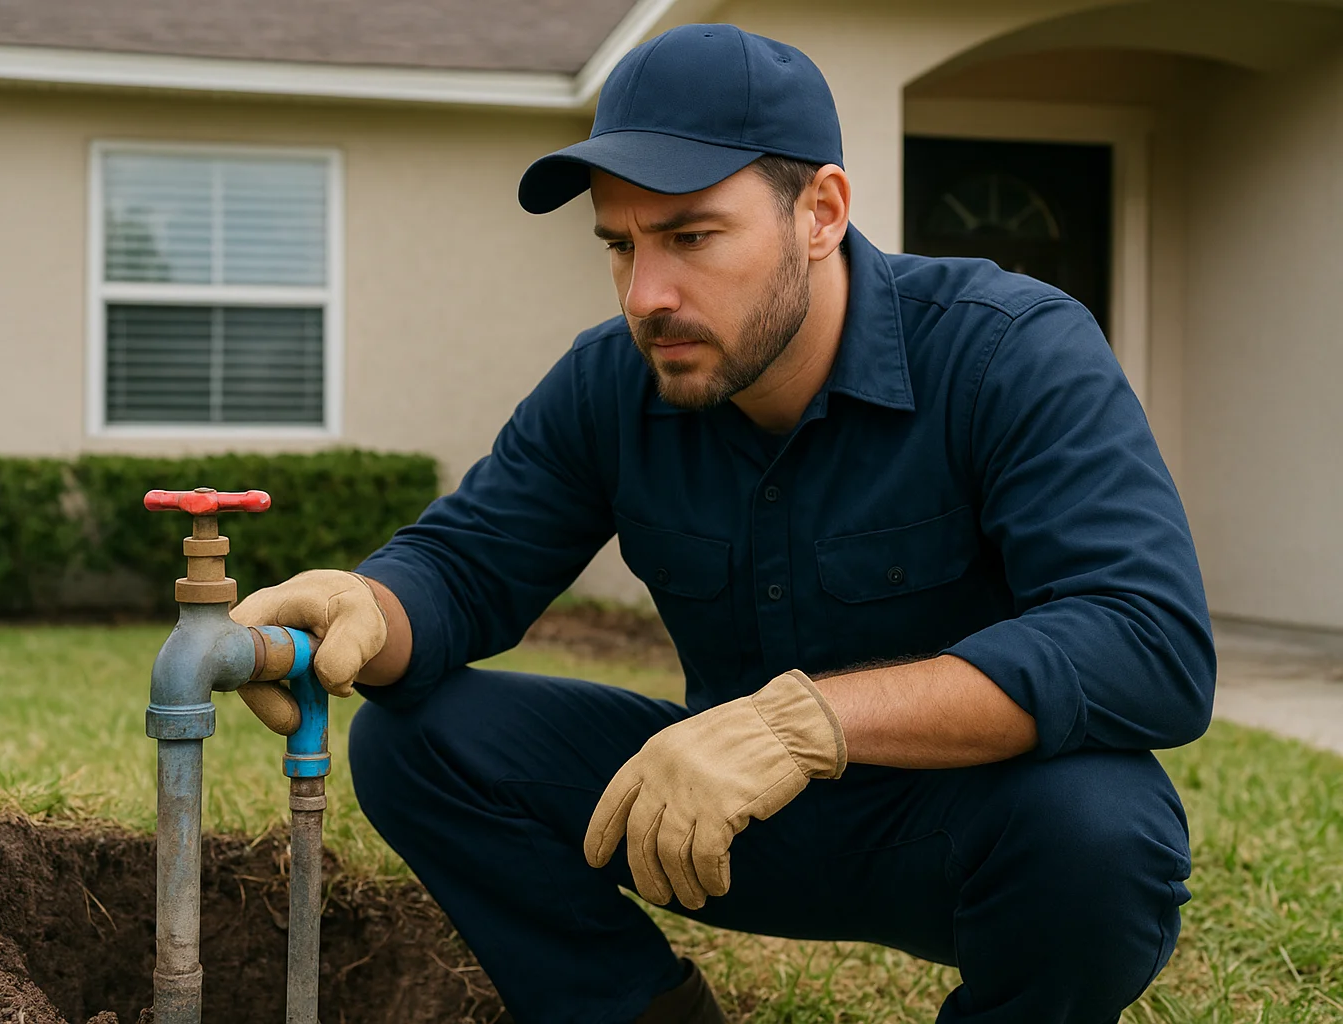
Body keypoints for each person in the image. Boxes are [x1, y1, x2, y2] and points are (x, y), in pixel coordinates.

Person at [230, 23, 1216, 1024]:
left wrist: (805, 724)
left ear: (821, 211)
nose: (646, 295)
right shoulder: (610, 382)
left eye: (692, 237)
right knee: (417, 741)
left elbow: (1146, 642)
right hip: (714, 826)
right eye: (621, 245)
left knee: (1105, 829)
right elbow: (467, 566)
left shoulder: (1008, 351)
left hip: (961, 828)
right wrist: (367, 603)